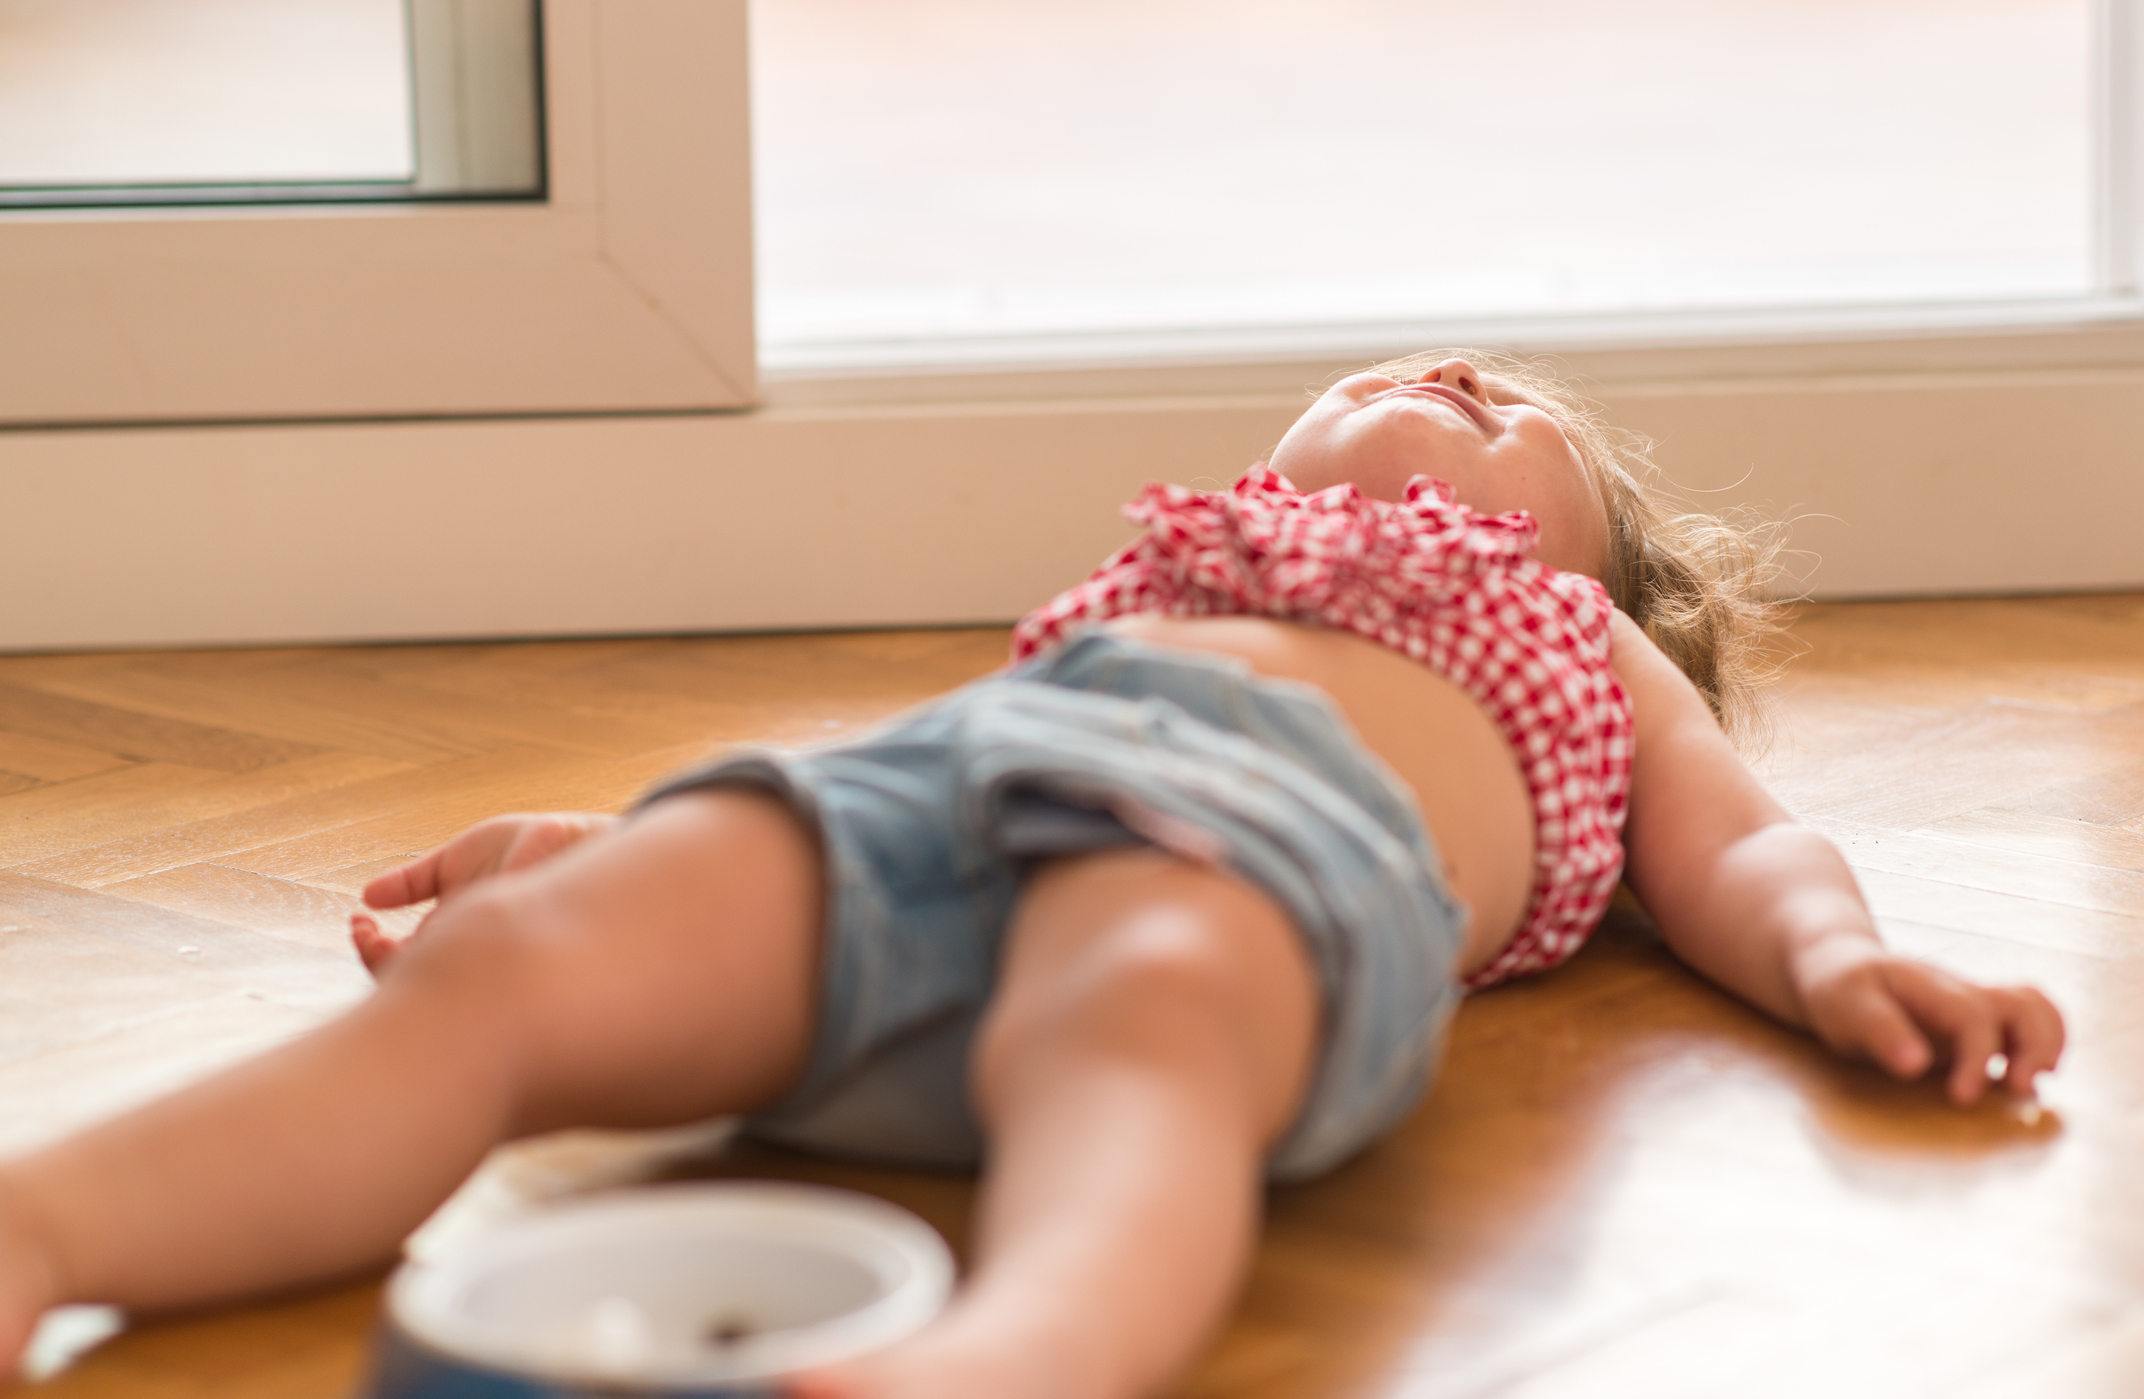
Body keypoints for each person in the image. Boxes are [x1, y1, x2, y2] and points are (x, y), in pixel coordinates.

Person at [0, 353, 2066, 1399]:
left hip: (1250, 867)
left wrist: (1843, 961)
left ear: (1600, 574)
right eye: (1412, 361)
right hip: (954, 816)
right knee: (534, 964)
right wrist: (632, 848)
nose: (1460, 378)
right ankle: (55, 1221)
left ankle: (1015, 1353)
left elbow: (1751, 849)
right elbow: (910, 786)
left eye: (1528, 414)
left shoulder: (1573, 651)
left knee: (1145, 997)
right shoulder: (1163, 572)